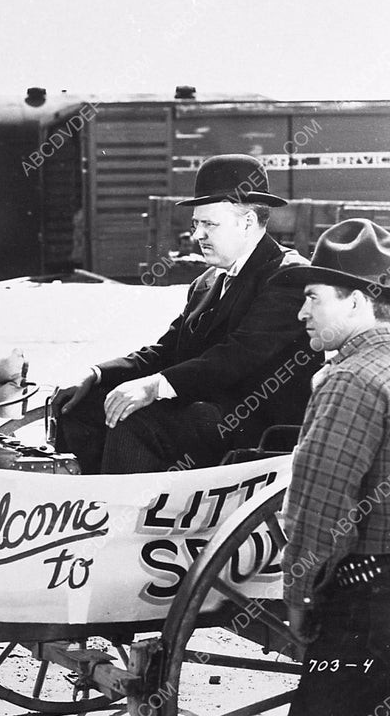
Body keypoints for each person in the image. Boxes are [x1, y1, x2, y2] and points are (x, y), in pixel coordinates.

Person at [52, 154, 322, 474]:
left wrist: (153, 387)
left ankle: (123, 504)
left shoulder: (287, 274)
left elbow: (237, 356)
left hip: (255, 426)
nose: (197, 235)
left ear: (248, 222)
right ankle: (88, 499)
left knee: (136, 419)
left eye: (209, 224)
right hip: (204, 410)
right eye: (196, 224)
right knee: (80, 406)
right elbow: (167, 350)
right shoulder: (207, 281)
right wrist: (97, 374)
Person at [275, 219, 390, 715]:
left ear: (357, 302)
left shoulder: (352, 380)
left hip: (369, 602)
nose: (302, 312)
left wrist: (298, 598)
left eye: (313, 297)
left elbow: (320, 504)